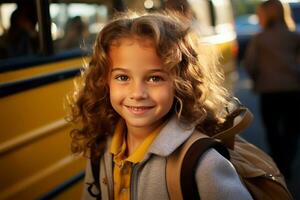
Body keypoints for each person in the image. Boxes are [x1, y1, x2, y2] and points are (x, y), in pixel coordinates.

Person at [69, 12, 253, 199]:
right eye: (122, 77)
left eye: (154, 78)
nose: (137, 94)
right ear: (105, 82)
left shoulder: (203, 164)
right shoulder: (101, 148)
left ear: (181, 82)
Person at [244, 0, 300, 179]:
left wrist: (256, 79)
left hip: (268, 91)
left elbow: (250, 64)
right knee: (291, 130)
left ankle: (279, 163)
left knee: (272, 130)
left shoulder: (259, 38)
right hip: (293, 89)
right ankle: (288, 161)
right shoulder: (294, 36)